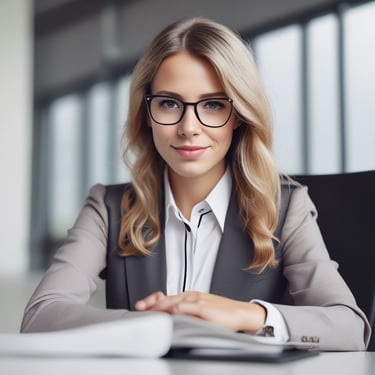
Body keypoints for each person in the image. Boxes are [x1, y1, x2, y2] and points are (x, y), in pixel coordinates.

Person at [21, 17, 370, 351]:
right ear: (146, 112)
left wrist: (246, 315)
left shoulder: (286, 208)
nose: (189, 127)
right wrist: (143, 327)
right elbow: (41, 315)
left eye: (214, 105)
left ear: (239, 115)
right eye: (170, 103)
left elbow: (349, 327)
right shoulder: (107, 208)